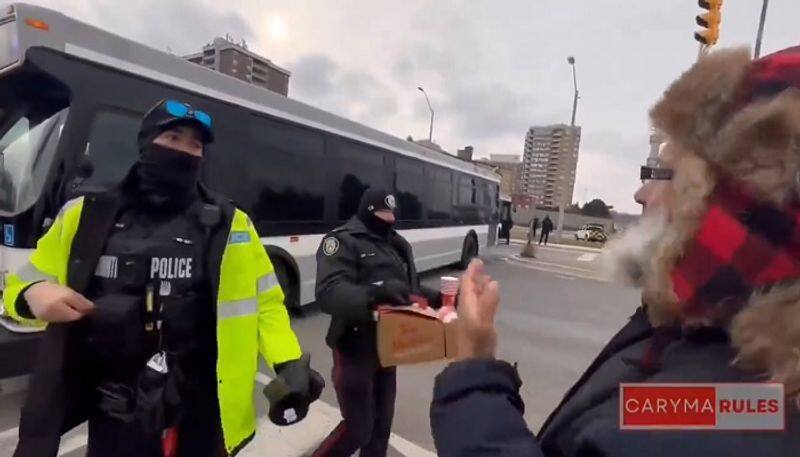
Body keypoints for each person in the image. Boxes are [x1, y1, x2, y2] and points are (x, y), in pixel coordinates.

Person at [429, 46, 800, 456]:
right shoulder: (728, 362)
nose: (641, 194)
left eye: (666, 174)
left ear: (738, 203)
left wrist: (472, 374)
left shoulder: (726, 413)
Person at [4, 99, 322, 457]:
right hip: (116, 401)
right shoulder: (86, 215)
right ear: (145, 143)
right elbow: (18, 287)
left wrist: (289, 361)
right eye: (173, 137)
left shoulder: (230, 224)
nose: (185, 151)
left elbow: (266, 301)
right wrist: (33, 293)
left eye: (195, 144)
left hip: (202, 399)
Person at [312, 187, 443, 457]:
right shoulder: (342, 241)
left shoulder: (397, 244)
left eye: (391, 214)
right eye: (382, 213)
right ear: (368, 212)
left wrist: (439, 299)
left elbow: (409, 290)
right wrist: (374, 294)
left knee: (381, 430)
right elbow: (329, 293)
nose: (388, 219)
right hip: (353, 347)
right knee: (359, 429)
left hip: (388, 348)